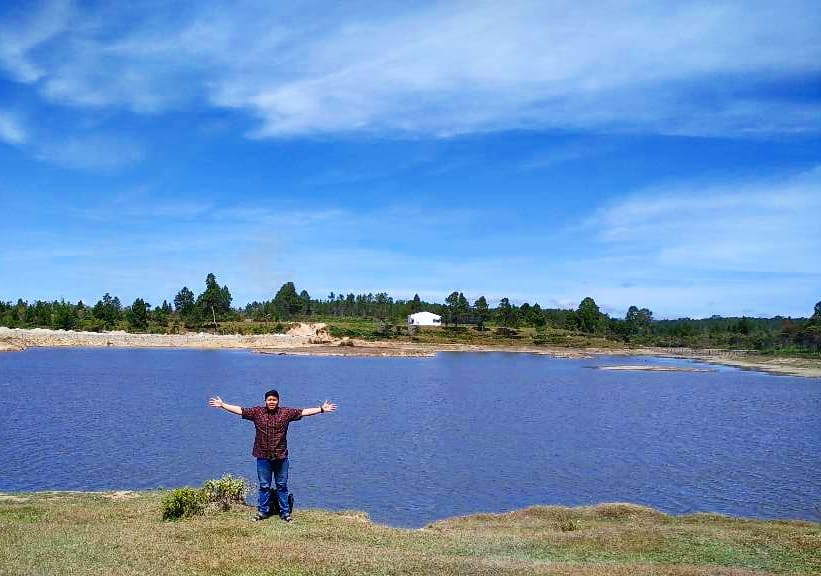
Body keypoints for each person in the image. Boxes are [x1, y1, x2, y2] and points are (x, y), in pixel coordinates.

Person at [208, 389, 337, 523]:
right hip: (263, 457)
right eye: (269, 399)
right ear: (265, 401)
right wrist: (222, 405)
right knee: (264, 486)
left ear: (278, 401)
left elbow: (304, 412)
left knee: (282, 486)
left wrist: (321, 409)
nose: (272, 402)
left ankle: (285, 513)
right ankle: (263, 512)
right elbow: (240, 410)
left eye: (274, 400)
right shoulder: (257, 412)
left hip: (281, 457)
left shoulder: (286, 413)